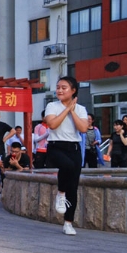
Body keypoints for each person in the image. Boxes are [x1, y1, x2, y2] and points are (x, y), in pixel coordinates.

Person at [45, 76, 88, 236]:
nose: (60, 90)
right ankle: (60, 192)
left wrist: (72, 110)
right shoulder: (52, 106)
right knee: (67, 166)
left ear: (73, 90)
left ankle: (68, 223)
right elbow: (53, 124)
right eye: (58, 87)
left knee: (73, 187)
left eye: (64, 87)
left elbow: (83, 128)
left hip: (74, 148)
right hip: (56, 146)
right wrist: (67, 109)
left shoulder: (81, 108)